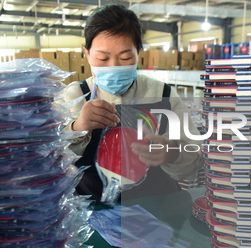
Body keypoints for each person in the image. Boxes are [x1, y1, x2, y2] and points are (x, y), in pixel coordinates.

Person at [61, 4, 203, 203]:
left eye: (125, 58)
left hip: (156, 206)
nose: (114, 67)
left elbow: (194, 159)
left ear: (138, 53)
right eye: (102, 58)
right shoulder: (74, 95)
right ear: (87, 54)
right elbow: (52, 160)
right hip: (93, 208)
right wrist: (78, 128)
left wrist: (172, 152)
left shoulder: (162, 94)